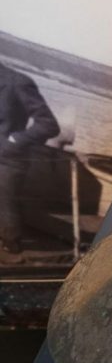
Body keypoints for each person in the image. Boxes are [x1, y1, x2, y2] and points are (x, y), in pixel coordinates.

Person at [0, 62, 60, 256]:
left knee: (7, 210)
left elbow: (49, 124)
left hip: (8, 158)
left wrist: (16, 140)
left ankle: (11, 251)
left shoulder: (19, 82)